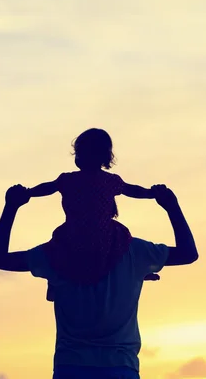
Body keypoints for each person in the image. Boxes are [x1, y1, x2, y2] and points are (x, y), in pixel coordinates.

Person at [0, 183, 198, 379]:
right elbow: (188, 253)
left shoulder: (54, 253)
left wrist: (12, 206)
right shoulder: (134, 251)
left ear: (68, 210)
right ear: (111, 209)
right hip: (121, 365)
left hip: (70, 366)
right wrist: (171, 206)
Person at [26, 128, 159, 302]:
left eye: (80, 153)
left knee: (59, 251)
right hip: (96, 232)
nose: (78, 157)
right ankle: (131, 271)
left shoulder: (71, 180)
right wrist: (151, 193)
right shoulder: (101, 180)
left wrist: (27, 193)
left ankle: (55, 283)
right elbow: (132, 190)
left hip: (77, 232)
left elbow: (47, 188)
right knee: (119, 246)